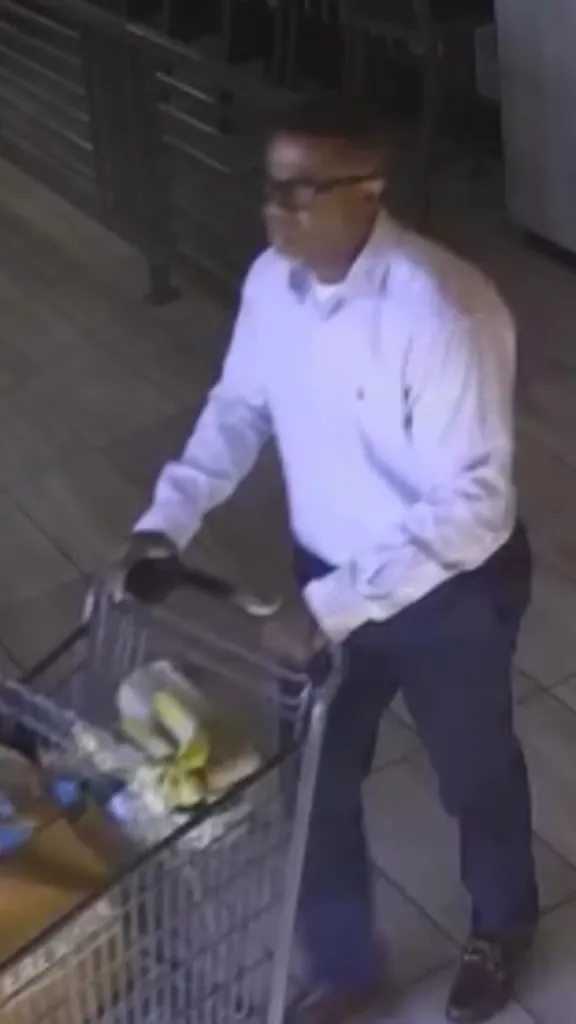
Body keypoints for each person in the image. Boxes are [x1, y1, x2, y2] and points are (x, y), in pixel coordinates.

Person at [113, 96, 538, 1024]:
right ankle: (345, 966)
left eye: (303, 190)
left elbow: (474, 503)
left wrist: (335, 602)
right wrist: (167, 519)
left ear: (370, 186)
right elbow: (240, 409)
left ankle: (503, 924)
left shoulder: (444, 310)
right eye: (269, 187)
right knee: (316, 777)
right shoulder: (273, 283)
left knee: (474, 773)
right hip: (326, 577)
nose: (278, 210)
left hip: (448, 592)